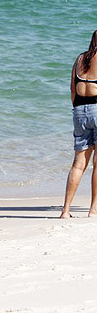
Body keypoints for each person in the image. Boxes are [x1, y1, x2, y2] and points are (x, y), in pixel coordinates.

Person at [61, 30, 97, 218]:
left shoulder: (80, 59)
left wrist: (78, 111)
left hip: (79, 111)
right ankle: (93, 210)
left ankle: (65, 211)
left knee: (78, 163)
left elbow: (72, 89)